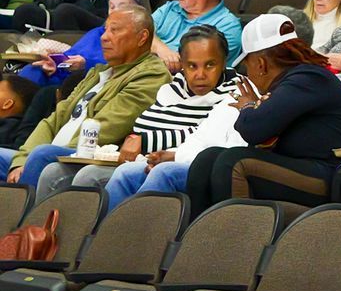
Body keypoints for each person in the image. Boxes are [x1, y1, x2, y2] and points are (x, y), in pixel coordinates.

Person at [184, 14, 341, 213]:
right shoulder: (296, 80)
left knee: (234, 161)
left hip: (331, 175)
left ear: (261, 64)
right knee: (208, 158)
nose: (247, 74)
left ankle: (235, 240)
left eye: (247, 66)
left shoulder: (307, 78)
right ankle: (200, 238)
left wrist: (248, 106)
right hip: (306, 169)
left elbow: (253, 130)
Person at [67, 25, 239, 211]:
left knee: (119, 175)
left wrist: (148, 142)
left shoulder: (235, 93)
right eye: (191, 66)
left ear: (224, 63)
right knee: (81, 173)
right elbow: (145, 124)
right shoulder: (174, 87)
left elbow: (204, 134)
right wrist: (137, 139)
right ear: (181, 63)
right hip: (148, 159)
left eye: (210, 65)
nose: (200, 75)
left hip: (188, 164)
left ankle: (112, 234)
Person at [1, 5, 169, 188]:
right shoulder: (98, 72)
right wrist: (22, 160)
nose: (104, 37)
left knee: (42, 155)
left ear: (142, 37)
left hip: (84, 158)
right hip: (51, 151)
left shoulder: (151, 75)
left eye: (115, 30)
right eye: (105, 30)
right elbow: (54, 119)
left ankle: (22, 214)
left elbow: (108, 127)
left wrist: (53, 155)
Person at [152, 0, 246, 64]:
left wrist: (151, 44)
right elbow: (138, 33)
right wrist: (161, 49)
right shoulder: (170, 8)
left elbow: (195, 67)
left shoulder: (228, 27)